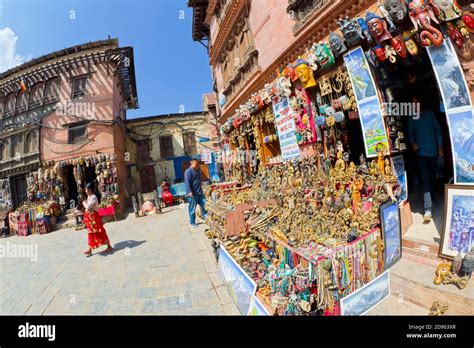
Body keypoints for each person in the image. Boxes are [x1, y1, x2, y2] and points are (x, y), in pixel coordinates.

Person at [408, 96, 443, 223]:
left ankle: (431, 197)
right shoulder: (412, 117)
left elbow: (437, 130)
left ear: (421, 102)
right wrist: (413, 143)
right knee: (426, 180)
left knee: (432, 177)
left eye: (417, 101)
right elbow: (410, 133)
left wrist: (440, 145)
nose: (415, 104)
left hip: (433, 151)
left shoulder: (429, 114)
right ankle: (428, 209)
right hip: (421, 153)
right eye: (413, 102)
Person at [82, 183, 113, 256]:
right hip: (90, 219)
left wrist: (84, 203)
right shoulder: (89, 197)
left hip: (94, 218)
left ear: (89, 190)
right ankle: (90, 249)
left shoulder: (94, 197)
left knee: (100, 231)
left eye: (86, 189)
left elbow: (88, 207)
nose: (85, 191)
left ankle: (109, 246)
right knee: (91, 233)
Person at [184, 159, 208, 228]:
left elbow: (199, 180)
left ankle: (205, 217)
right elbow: (187, 182)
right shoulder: (188, 171)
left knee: (205, 204)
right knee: (192, 209)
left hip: (199, 193)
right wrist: (189, 192)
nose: (197, 165)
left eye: (197, 164)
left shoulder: (198, 171)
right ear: (192, 163)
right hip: (192, 194)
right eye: (196, 164)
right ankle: (192, 222)